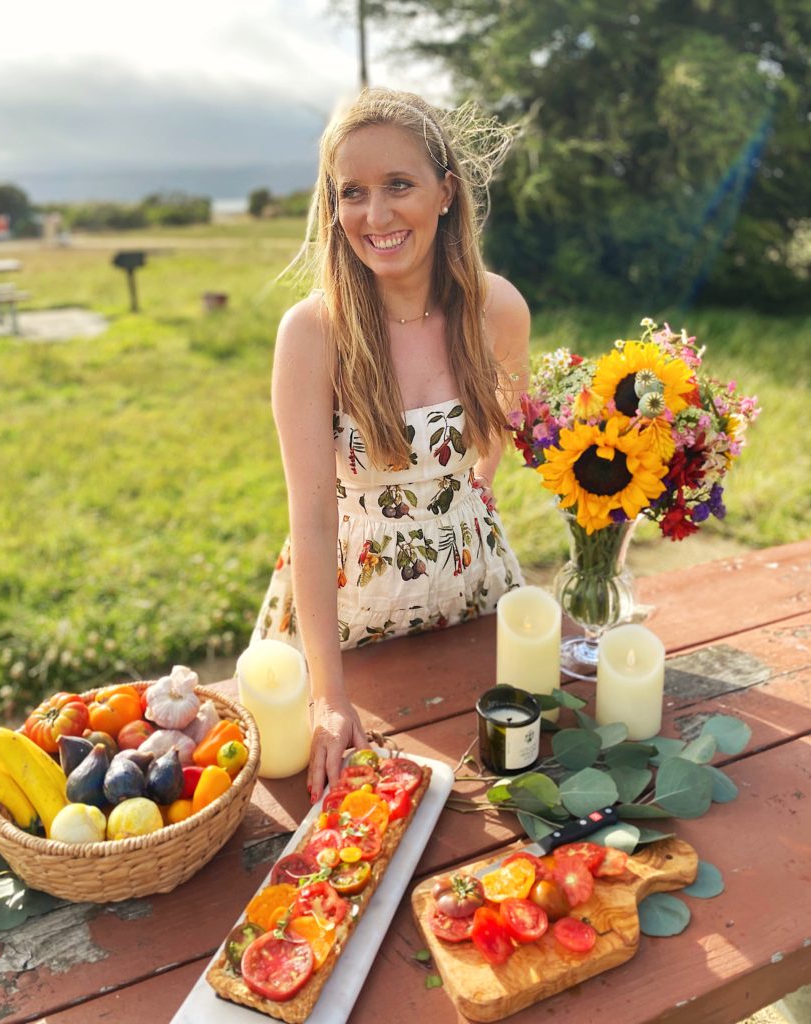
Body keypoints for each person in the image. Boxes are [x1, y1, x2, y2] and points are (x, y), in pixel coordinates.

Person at [251, 87, 531, 801]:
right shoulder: (313, 334)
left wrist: (462, 504)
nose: (374, 216)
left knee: (494, 792)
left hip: (473, 592)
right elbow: (310, 522)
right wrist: (327, 701)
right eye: (352, 192)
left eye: (397, 185)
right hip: (348, 620)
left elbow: (501, 436)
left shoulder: (495, 309)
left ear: (445, 192)